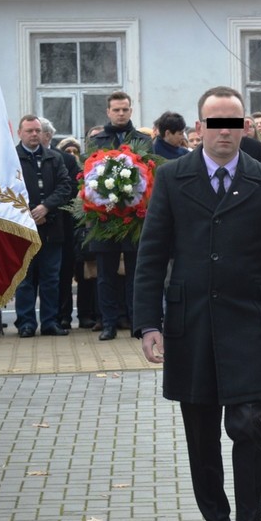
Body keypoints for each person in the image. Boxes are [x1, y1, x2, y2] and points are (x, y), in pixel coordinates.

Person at [133, 86, 261, 521]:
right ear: (198, 129)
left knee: (248, 425)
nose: (224, 131)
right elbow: (152, 255)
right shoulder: (171, 178)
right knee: (201, 435)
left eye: (233, 123)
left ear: (245, 127)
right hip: (190, 326)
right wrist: (149, 323)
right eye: (215, 123)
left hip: (249, 322)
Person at [86, 91, 152, 340]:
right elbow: (88, 175)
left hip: (135, 218)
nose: (121, 113)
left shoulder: (143, 140)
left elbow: (152, 173)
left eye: (125, 109)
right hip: (104, 217)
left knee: (137, 274)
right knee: (106, 275)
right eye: (116, 110)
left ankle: (138, 322)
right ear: (108, 112)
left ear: (131, 111)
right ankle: (108, 324)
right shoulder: (97, 140)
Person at [13, 115, 73, 338]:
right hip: (22, 229)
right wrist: (29, 212)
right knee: (25, 279)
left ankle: (50, 321)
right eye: (29, 131)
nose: (34, 134)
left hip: (51, 228)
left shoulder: (54, 158)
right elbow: (5, 188)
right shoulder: (11, 159)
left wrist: (46, 207)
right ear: (20, 133)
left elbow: (65, 186)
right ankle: (26, 323)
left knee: (51, 279)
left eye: (37, 130)